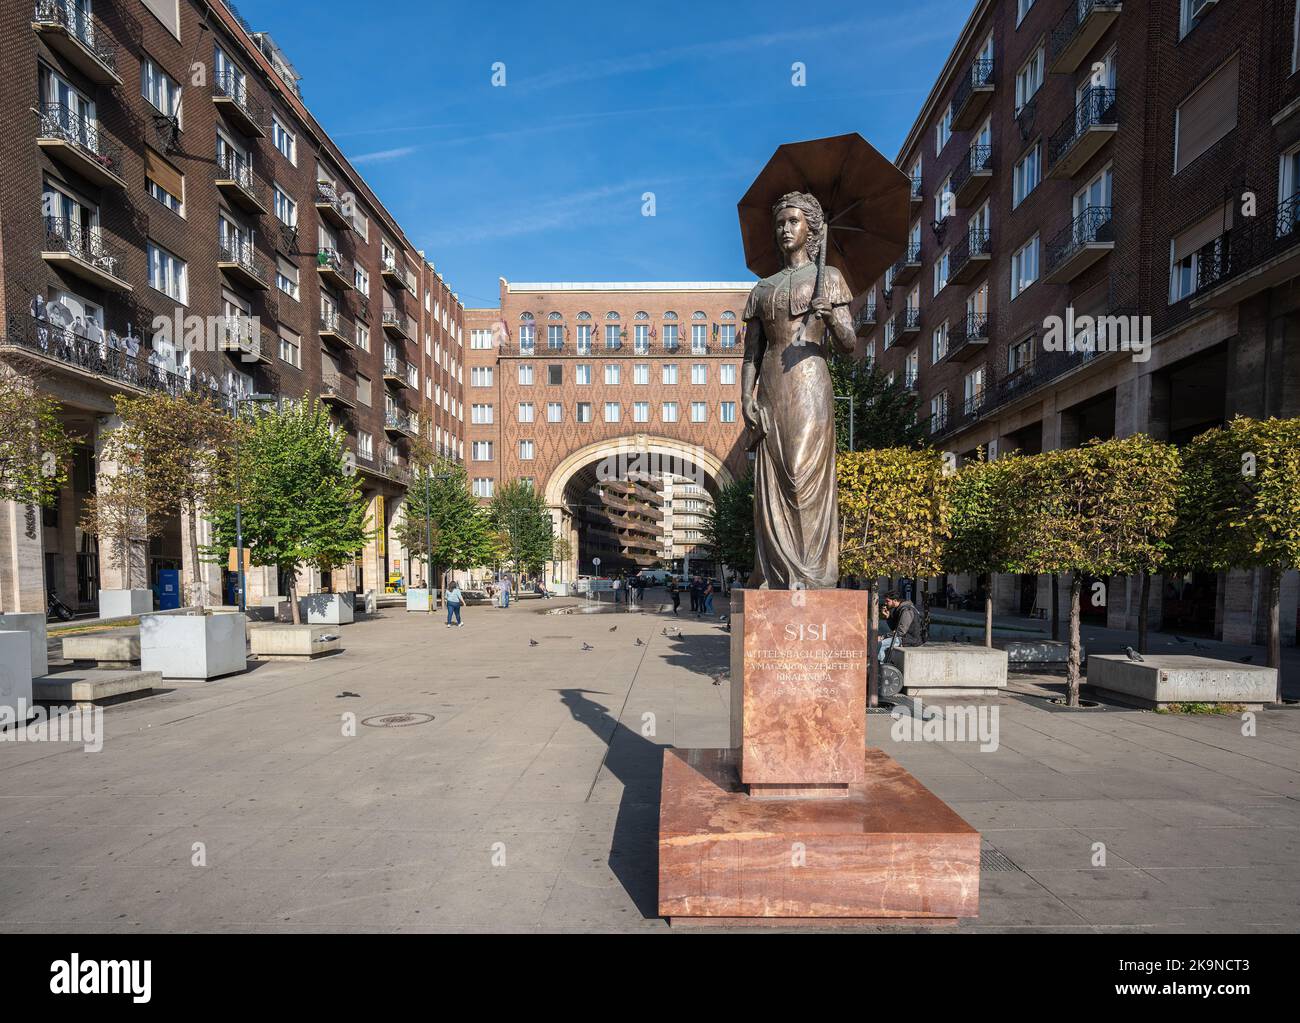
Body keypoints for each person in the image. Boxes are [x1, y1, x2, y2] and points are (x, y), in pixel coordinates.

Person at [742, 191, 856, 590]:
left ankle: (812, 573)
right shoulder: (762, 288)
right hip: (773, 381)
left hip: (811, 379)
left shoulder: (831, 278)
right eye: (779, 223)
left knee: (801, 473)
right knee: (773, 473)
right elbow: (750, 354)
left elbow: (850, 343)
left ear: (812, 228)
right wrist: (745, 398)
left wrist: (832, 318)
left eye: (793, 221)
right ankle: (775, 571)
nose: (784, 229)